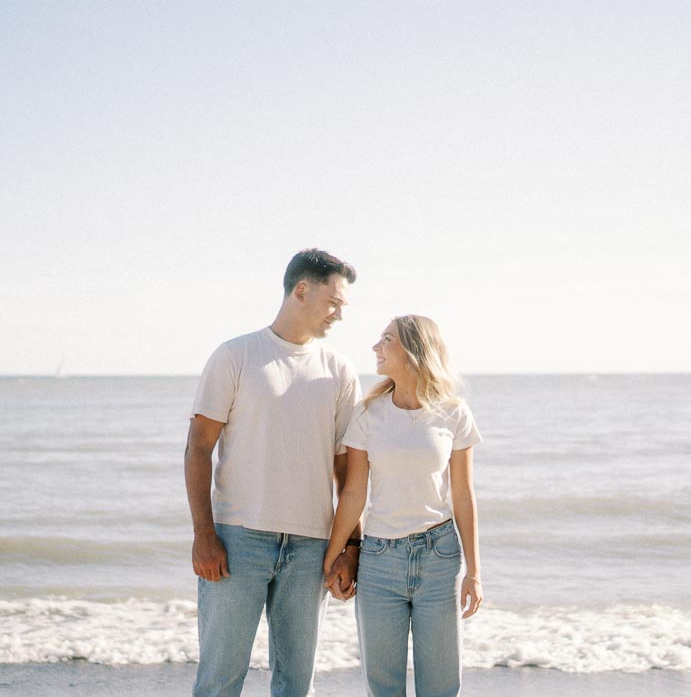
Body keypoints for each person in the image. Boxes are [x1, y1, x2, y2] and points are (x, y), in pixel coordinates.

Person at [185, 248, 363, 697]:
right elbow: (198, 448)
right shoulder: (236, 355)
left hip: (310, 547)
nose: (340, 314)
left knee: (296, 684)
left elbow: (348, 470)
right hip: (237, 540)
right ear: (301, 290)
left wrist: (351, 546)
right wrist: (204, 535)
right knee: (220, 679)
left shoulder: (339, 371)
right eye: (334, 302)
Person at [323, 316, 482, 697]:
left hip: (439, 557)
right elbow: (353, 495)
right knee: (383, 687)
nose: (376, 347)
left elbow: (463, 495)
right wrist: (331, 559)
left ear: (413, 350)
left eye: (386, 339)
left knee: (441, 687)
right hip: (379, 561)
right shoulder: (367, 413)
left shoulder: (454, 412)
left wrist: (474, 572)